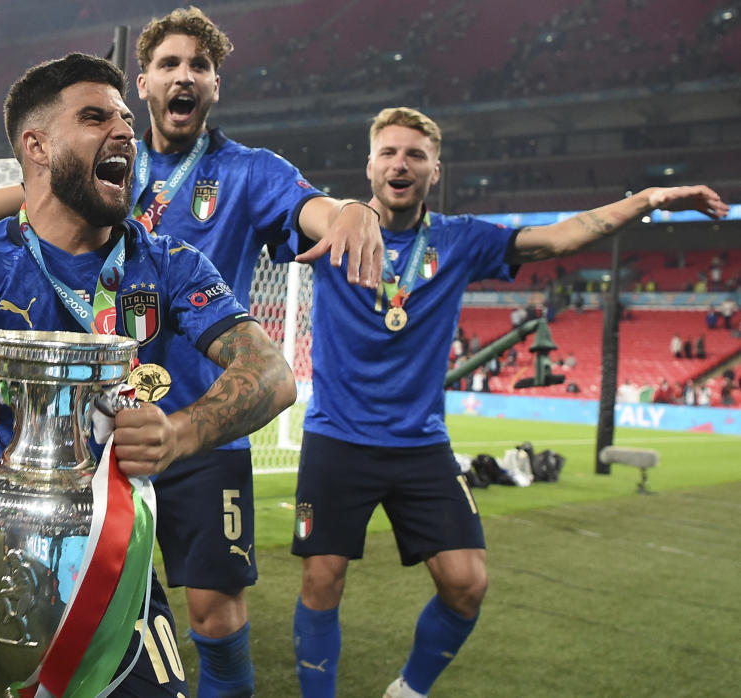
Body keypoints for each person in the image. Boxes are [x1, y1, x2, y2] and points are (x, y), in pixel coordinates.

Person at [0, 11, 383, 693]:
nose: (124, 132)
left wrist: (178, 432)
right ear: (38, 148)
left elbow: (271, 374)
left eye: (124, 121)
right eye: (95, 118)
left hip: (110, 548)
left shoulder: (171, 263)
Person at [288, 106, 727, 698]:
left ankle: (408, 690)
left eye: (415, 154)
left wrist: (647, 198)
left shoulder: (461, 239)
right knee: (323, 580)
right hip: (338, 437)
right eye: (389, 152)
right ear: (368, 165)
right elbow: (269, 210)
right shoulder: (331, 225)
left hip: (420, 443)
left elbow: (562, 237)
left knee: (467, 583)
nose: (401, 163)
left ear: (434, 170)